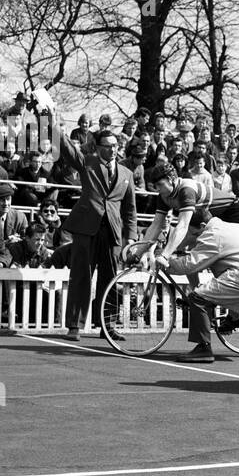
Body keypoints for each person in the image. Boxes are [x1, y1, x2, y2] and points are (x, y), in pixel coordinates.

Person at [158, 209, 239, 364]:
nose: (193, 237)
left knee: (197, 298)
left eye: (193, 233)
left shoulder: (212, 235)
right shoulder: (237, 227)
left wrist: (166, 261)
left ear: (202, 225)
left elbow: (190, 265)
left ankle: (203, 348)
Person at [59, 128, 136, 342]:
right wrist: (52, 122)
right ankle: (74, 325)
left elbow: (130, 210)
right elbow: (67, 150)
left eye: (114, 146)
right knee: (81, 276)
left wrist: (130, 237)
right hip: (86, 228)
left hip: (112, 232)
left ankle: (107, 325)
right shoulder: (87, 162)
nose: (112, 149)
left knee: (111, 279)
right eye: (107, 146)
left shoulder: (127, 174)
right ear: (98, 147)